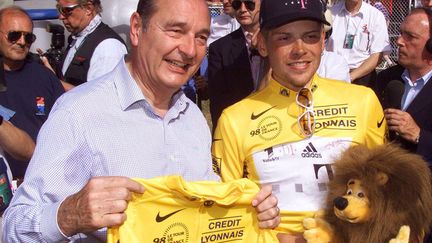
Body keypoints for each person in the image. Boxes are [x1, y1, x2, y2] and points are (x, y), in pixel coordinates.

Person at [2, 0, 279, 241]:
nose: (190, 50)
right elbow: (12, 227)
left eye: (201, 37)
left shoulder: (192, 117)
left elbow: (203, 210)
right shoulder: (79, 113)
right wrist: (68, 215)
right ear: (136, 28)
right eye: (176, 30)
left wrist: (248, 210)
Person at [211, 0, 387, 242]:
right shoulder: (234, 119)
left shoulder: (364, 101)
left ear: (323, 41)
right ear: (262, 44)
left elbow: (387, 194)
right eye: (284, 38)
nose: (300, 48)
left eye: (311, 36)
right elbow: (222, 216)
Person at [0, 6, 64, 180]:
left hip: (41, 179)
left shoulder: (45, 78)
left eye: (28, 37)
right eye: (14, 35)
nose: (22, 42)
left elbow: (67, 129)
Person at [376, 8, 432, 166]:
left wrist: (419, 135)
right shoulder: (385, 78)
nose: (399, 41)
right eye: (401, 33)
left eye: (410, 37)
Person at [208, 0, 263, 131]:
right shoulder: (219, 49)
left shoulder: (281, 40)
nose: (243, 9)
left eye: (250, 4)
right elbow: (218, 103)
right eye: (237, 4)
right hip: (241, 131)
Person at [56, 0, 127, 87]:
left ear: (88, 9)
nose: (61, 16)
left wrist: (54, 83)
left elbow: (100, 97)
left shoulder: (108, 47)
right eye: (59, 9)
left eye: (66, 10)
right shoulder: (77, 38)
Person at [327, 0, 391, 88]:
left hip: (362, 78)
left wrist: (349, 77)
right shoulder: (330, 13)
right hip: (331, 76)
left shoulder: (375, 16)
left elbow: (377, 55)